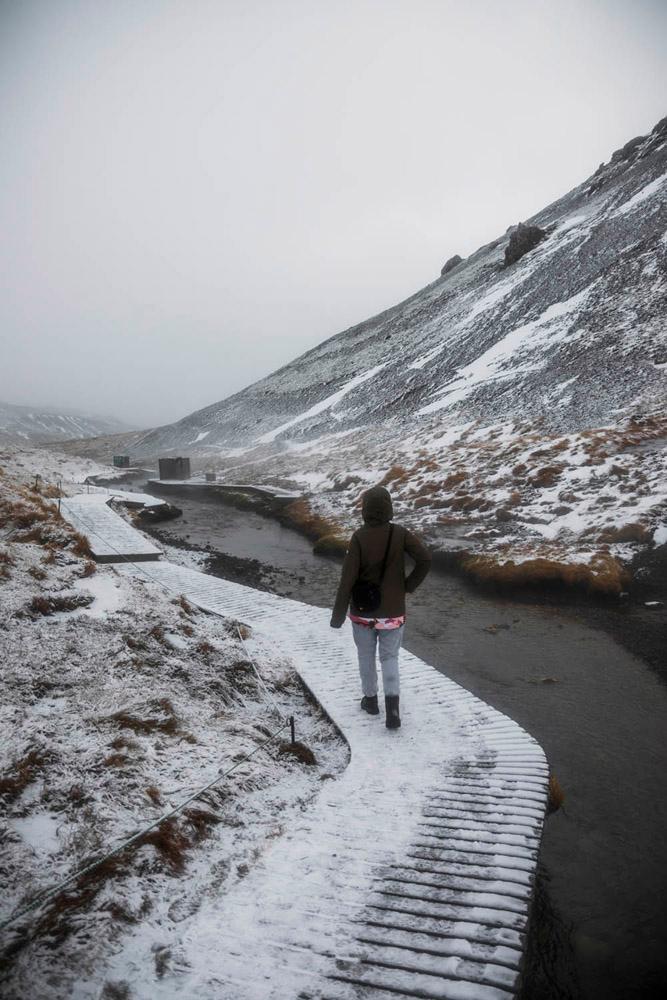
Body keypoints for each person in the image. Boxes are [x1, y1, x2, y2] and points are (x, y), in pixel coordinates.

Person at [330, 485, 431, 729]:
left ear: (365, 510)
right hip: (393, 614)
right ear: (389, 508)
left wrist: (338, 616)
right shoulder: (400, 534)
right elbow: (425, 559)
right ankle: (393, 710)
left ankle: (371, 701)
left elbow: (347, 580)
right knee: (390, 657)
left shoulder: (359, 537)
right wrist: (408, 586)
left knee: (365, 656)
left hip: (363, 613)